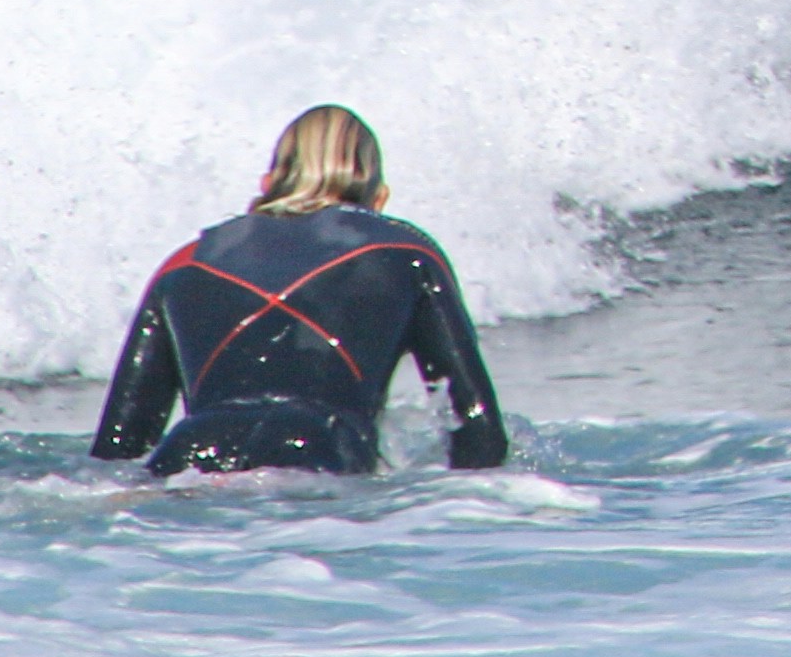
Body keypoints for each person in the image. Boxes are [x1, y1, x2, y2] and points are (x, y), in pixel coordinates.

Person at [90, 104, 510, 477]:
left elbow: (117, 452)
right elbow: (477, 431)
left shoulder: (183, 264)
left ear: (267, 182)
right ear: (379, 199)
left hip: (187, 452)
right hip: (322, 451)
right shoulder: (405, 252)